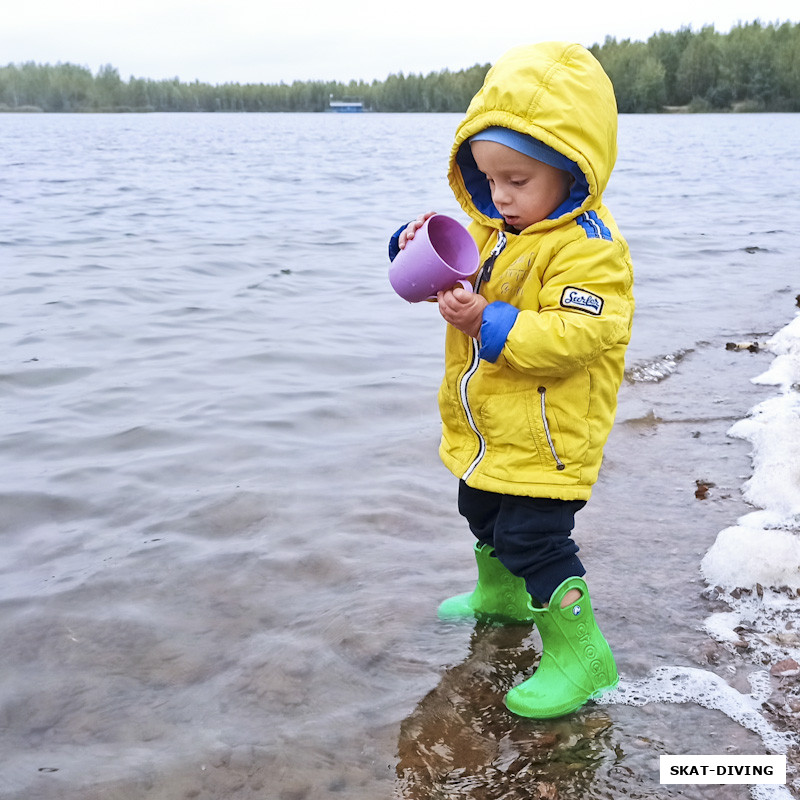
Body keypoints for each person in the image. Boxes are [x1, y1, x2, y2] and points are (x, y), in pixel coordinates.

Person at [388, 42, 634, 719]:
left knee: (535, 539)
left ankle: (583, 656)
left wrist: (489, 321)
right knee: (481, 512)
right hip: (494, 429)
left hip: (551, 436)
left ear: (572, 170)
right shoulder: (496, 228)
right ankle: (500, 600)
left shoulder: (589, 248)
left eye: (517, 180)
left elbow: (580, 336)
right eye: (488, 178)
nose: (499, 194)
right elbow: (452, 264)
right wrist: (411, 247)